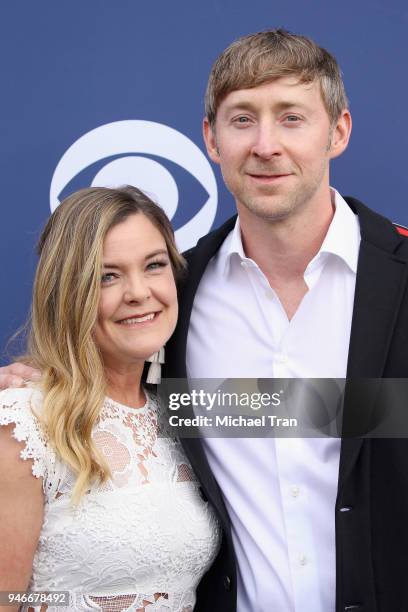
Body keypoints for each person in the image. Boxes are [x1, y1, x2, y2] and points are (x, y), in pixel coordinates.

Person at [3, 28, 408, 612]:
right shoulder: (174, 300)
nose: (265, 145)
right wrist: (41, 379)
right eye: (243, 119)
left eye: (291, 117)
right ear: (211, 139)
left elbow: (347, 416)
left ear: (338, 130)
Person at [0, 186, 221, 612]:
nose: (138, 292)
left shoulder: (179, 408)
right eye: (108, 276)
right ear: (68, 292)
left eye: (154, 266)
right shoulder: (23, 425)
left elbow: (347, 411)